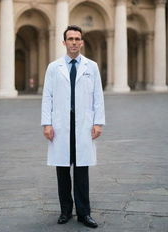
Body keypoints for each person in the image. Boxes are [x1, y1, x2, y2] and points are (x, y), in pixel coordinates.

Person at [41, 25, 105, 228]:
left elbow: (98, 96)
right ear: (64, 42)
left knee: (81, 171)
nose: (74, 42)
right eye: (70, 39)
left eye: (78, 39)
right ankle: (65, 211)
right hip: (61, 125)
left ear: (82, 42)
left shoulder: (91, 66)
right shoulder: (53, 67)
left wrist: (98, 122)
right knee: (62, 171)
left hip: (83, 125)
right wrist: (47, 124)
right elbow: (47, 96)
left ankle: (84, 213)